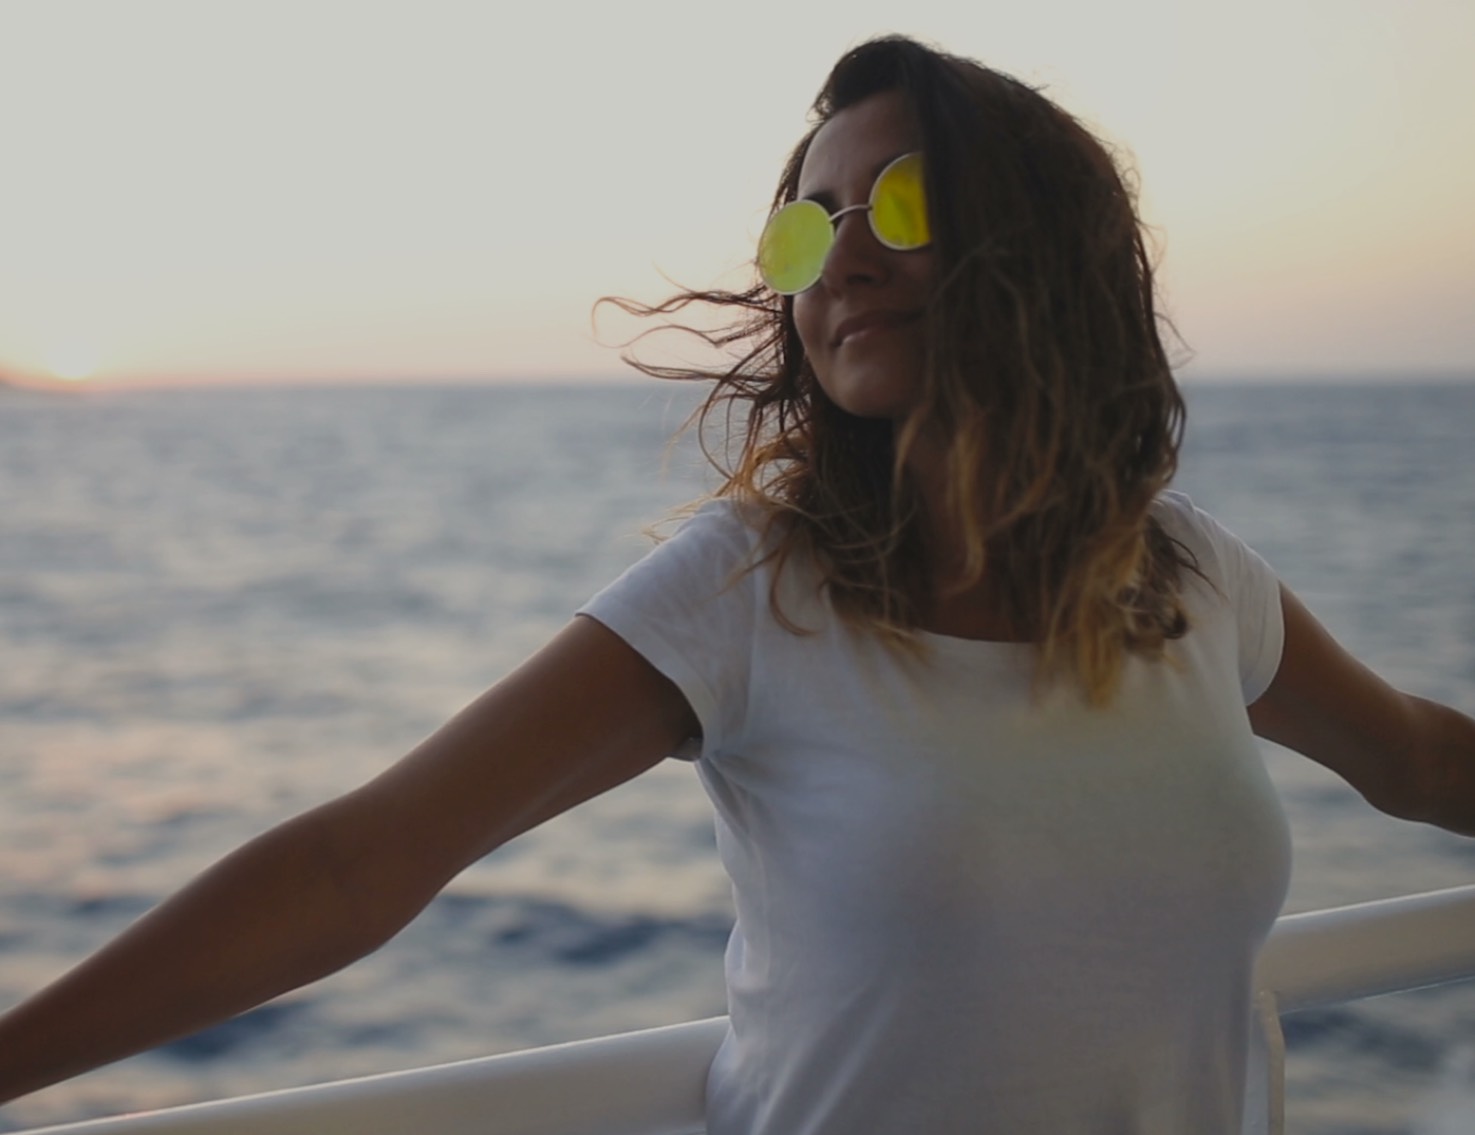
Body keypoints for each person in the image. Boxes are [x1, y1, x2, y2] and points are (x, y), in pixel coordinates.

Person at [2, 33, 1472, 1135]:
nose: (840, 260)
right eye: (808, 224)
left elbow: (1412, 760)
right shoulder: (752, 590)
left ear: (1044, 241)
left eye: (899, 205)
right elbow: (365, 860)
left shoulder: (1190, 576)